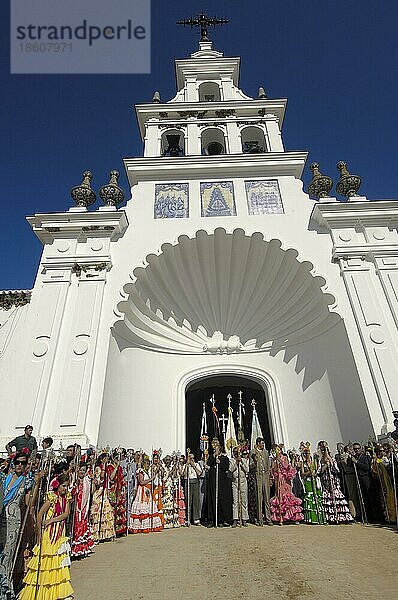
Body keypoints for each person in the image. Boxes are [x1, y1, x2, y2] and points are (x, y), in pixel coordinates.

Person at [19, 474, 74, 600]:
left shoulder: (66, 498)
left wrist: (51, 520)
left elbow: (66, 514)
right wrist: (39, 533)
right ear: (58, 485)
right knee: (45, 561)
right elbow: (39, 515)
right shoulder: (51, 498)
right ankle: (42, 590)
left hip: (60, 532)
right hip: (48, 534)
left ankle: (58, 590)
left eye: (67, 486)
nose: (65, 489)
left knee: (58, 560)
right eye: (63, 486)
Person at [0, 453, 36, 600]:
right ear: (13, 463)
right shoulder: (4, 478)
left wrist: (37, 482)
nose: (20, 465)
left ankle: (5, 590)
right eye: (18, 462)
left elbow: (29, 504)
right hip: (1, 517)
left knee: (7, 556)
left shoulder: (27, 481)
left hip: (13, 523)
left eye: (23, 463)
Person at [317, 441, 354, 524]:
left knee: (337, 497)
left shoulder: (332, 459)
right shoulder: (320, 461)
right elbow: (319, 472)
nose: (324, 452)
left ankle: (341, 516)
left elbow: (336, 470)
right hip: (326, 481)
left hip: (333, 480)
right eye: (322, 451)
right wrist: (325, 465)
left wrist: (330, 462)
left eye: (325, 450)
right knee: (328, 497)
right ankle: (331, 517)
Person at [129, 455, 163, 534]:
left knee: (149, 507)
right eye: (147, 464)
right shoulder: (141, 471)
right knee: (143, 506)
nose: (148, 465)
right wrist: (151, 479)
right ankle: (141, 525)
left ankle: (149, 525)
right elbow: (141, 482)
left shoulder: (147, 472)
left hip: (148, 490)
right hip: (143, 490)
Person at [202, 438, 232, 527]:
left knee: (222, 500)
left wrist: (220, 462)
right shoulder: (212, 457)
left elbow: (226, 467)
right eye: (215, 449)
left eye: (217, 449)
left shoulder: (224, 458)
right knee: (212, 499)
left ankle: (222, 520)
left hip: (222, 483)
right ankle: (212, 519)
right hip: (212, 482)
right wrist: (214, 456)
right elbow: (208, 464)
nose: (216, 450)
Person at [270, 445, 303, 524]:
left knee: (288, 496)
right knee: (279, 497)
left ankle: (294, 517)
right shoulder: (274, 460)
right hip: (278, 480)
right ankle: (280, 517)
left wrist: (280, 461)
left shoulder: (284, 458)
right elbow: (272, 470)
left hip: (285, 480)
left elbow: (287, 467)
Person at [90, 454, 115, 543]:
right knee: (98, 511)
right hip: (99, 492)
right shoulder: (98, 468)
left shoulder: (106, 468)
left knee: (106, 511)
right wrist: (104, 467)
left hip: (104, 491)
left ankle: (106, 534)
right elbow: (101, 478)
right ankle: (96, 534)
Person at [71, 463, 94, 559]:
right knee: (75, 526)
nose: (81, 472)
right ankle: (74, 549)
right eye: (80, 470)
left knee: (82, 526)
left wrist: (92, 481)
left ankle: (81, 549)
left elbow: (92, 492)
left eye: (83, 470)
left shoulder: (87, 481)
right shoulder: (73, 480)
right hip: (75, 507)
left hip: (83, 507)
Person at [300, 443, 325, 524]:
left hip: (314, 480)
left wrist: (314, 473)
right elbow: (302, 474)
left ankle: (319, 518)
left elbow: (318, 470)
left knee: (317, 497)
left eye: (307, 453)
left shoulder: (314, 462)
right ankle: (311, 518)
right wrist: (309, 473)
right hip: (308, 481)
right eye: (305, 453)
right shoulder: (303, 464)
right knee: (309, 496)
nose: (306, 455)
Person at [250, 437, 272, 526]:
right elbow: (250, 466)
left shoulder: (266, 452)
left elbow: (268, 465)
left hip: (265, 475)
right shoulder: (253, 452)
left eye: (263, 443)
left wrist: (270, 477)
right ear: (258, 443)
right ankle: (260, 519)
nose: (263, 445)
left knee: (267, 497)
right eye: (262, 443)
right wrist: (255, 462)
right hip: (258, 475)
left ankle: (268, 518)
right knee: (259, 497)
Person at [229, 446, 249, 526]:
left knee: (244, 501)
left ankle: (244, 518)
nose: (236, 454)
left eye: (237, 452)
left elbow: (247, 470)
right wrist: (236, 463)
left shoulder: (244, 460)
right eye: (235, 452)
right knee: (235, 501)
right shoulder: (231, 460)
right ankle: (235, 518)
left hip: (243, 481)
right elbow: (231, 470)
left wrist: (241, 463)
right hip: (235, 481)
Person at [181, 452, 202, 525]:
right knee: (188, 501)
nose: (192, 460)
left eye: (193, 458)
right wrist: (187, 465)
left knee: (195, 500)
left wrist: (194, 466)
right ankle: (187, 518)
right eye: (190, 458)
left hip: (195, 481)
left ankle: (196, 518)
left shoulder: (197, 465)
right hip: (188, 482)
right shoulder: (185, 465)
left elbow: (199, 473)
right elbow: (183, 474)